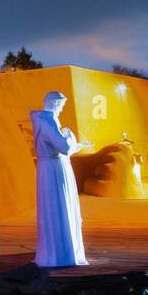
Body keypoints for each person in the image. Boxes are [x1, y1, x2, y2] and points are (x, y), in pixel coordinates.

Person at [31, 91, 90, 267]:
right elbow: (63, 147)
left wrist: (77, 145)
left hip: (50, 167)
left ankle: (57, 252)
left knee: (56, 208)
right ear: (55, 103)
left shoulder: (43, 120)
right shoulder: (48, 120)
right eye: (62, 105)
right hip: (55, 169)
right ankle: (61, 255)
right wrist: (70, 135)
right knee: (58, 207)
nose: (63, 109)